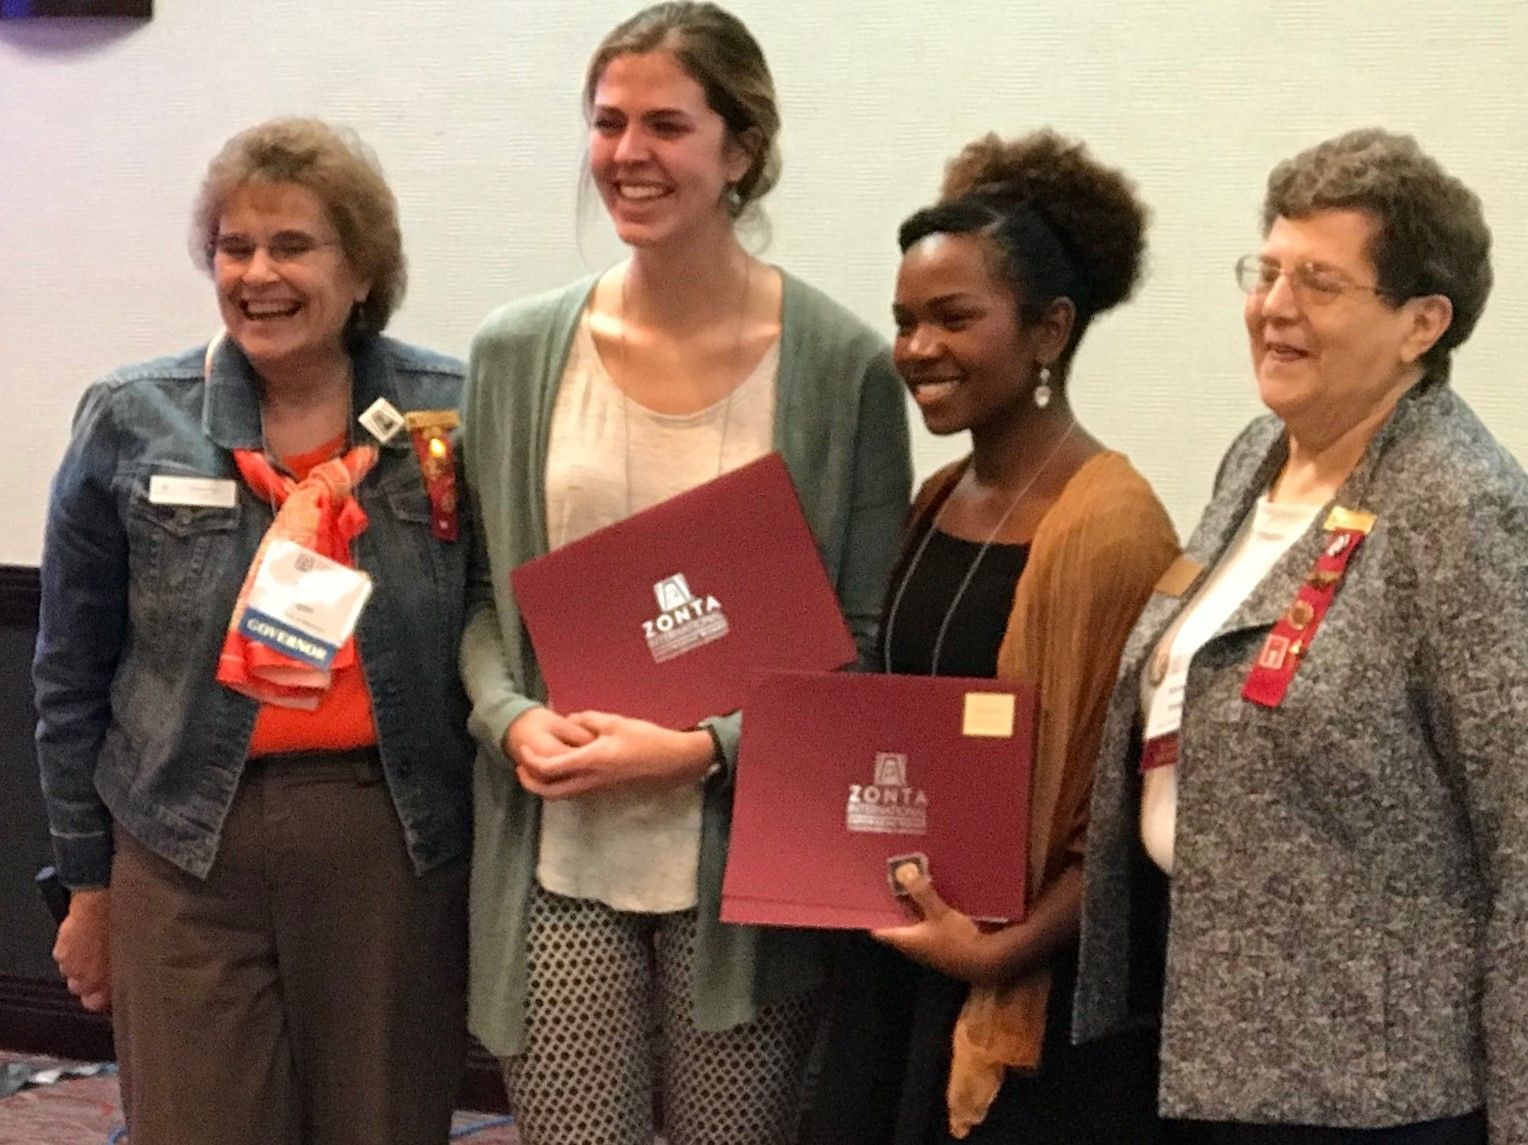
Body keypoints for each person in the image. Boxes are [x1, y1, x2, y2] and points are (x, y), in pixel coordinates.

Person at [458, 4, 911, 1143]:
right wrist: (509, 717)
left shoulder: (840, 364)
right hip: (556, 853)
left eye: (666, 123)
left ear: (739, 150)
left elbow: (863, 632)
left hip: (745, 872)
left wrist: (703, 749)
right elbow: (478, 604)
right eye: (608, 122)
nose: (627, 154)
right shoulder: (516, 353)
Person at [1075, 128, 1527, 1144]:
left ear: (1421, 321)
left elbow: (1522, 836)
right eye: (1265, 270)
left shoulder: (1463, 508)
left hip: (1372, 1090)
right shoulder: (1257, 457)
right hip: (1206, 1036)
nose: (1272, 307)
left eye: (1318, 282)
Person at [34, 117, 473, 1145]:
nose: (258, 274)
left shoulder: (448, 419)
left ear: (363, 269)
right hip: (183, 844)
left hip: (390, 843)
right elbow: (68, 672)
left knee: (380, 1122)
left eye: (293, 246)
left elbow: (500, 626)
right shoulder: (134, 417)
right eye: (235, 247)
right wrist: (85, 883)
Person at [802, 130, 1179, 1144]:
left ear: (1049, 329)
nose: (917, 347)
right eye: (904, 321)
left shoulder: (1110, 530)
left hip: (1020, 999)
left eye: (952, 318)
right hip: (904, 960)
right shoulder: (936, 496)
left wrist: (996, 955)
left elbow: (1117, 817)